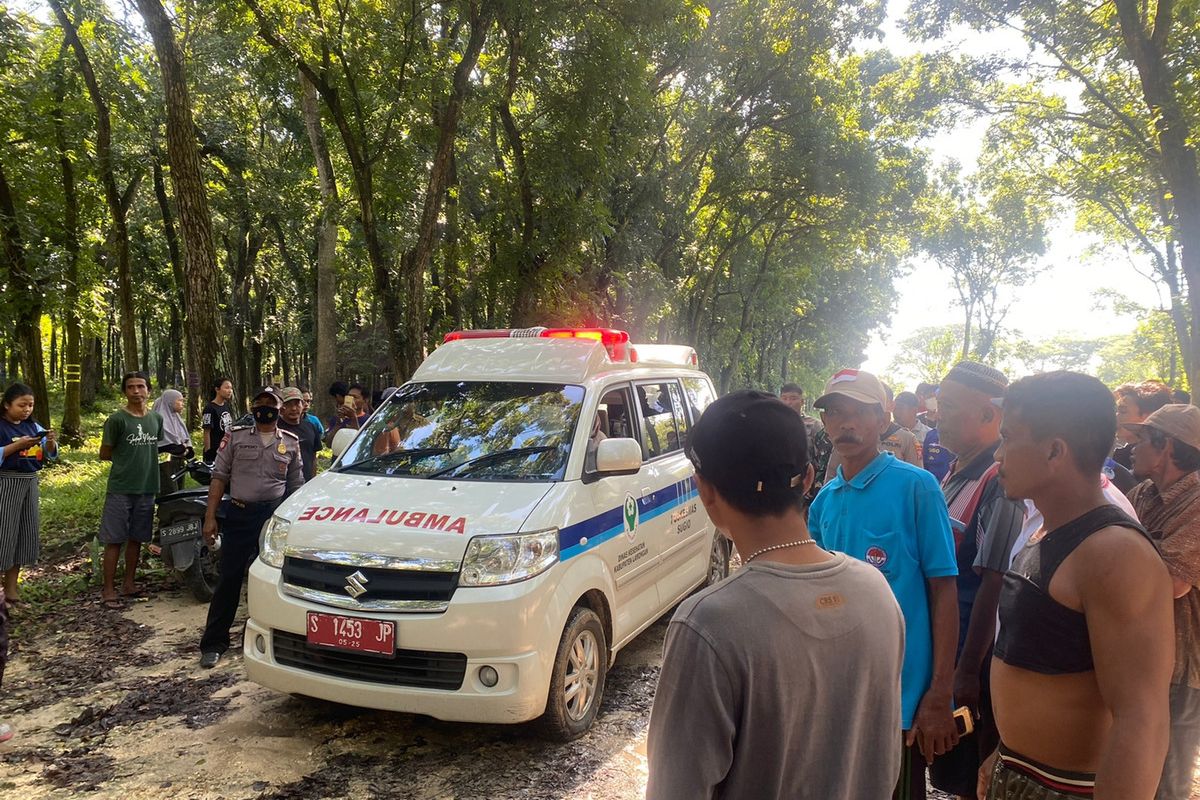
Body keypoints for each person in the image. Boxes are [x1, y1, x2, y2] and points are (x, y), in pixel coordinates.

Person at [647, 390, 904, 799]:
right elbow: (885, 758)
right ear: (808, 478)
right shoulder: (876, 591)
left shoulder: (709, 623)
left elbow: (675, 790)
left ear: (705, 491)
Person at [984, 371, 1173, 800]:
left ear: (1054, 450)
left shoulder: (1113, 552)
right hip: (1018, 774)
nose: (997, 454)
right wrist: (1003, 753)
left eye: (1007, 438)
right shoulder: (1044, 530)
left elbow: (1142, 719)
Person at [808, 368, 959, 800]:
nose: (846, 423)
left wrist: (939, 692)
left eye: (859, 412)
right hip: (837, 696)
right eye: (835, 413)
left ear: (882, 418)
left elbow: (943, 592)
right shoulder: (824, 502)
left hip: (900, 701)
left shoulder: (916, 487)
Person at [926, 363, 1024, 800]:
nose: (937, 415)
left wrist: (966, 671)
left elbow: (993, 582)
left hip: (971, 657)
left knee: (972, 777)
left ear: (988, 415)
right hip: (949, 650)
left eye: (948, 406)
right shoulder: (956, 470)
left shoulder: (997, 482)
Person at [1122, 404, 1200, 800]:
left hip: (1179, 667)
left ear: (1166, 446)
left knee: (1167, 778)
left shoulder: (1197, 501)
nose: (1131, 448)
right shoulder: (1142, 493)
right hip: (1137, 657)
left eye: (1140, 439)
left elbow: (1171, 583)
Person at [199, 388, 302, 668]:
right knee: (229, 578)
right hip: (240, 515)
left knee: (270, 580)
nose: (264, 407)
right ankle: (214, 643)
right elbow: (219, 477)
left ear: (280, 409)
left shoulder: (291, 442)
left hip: (272, 519)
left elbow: (296, 486)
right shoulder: (236, 437)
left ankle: (266, 640)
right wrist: (210, 517)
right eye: (260, 403)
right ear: (252, 407)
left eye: (271, 403)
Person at [99, 373, 164, 609]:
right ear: (124, 391)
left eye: (140, 386)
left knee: (137, 537)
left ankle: (129, 583)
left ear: (149, 390)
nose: (136, 391)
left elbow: (156, 445)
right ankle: (108, 590)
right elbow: (105, 452)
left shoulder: (156, 419)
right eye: (130, 387)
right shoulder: (117, 420)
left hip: (147, 487)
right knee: (114, 539)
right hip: (121, 487)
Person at [0, 382, 57, 610]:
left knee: (23, 535)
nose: (26, 410)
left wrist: (50, 442)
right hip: (6, 482)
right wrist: (16, 446)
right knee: (4, 534)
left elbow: (49, 454)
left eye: (30, 405)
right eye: (21, 405)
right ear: (7, 405)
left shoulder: (33, 426)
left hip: (29, 482)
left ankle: (12, 592)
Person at [824, 381, 922, 481]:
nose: (848, 424)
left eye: (862, 410)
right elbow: (832, 474)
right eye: (836, 411)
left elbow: (916, 476)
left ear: (892, 405)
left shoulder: (906, 438)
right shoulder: (847, 438)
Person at [1112, 380, 1172, 470]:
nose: (1116, 417)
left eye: (1123, 411)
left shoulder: (1157, 464)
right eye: (1117, 411)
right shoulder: (1120, 455)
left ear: (1150, 416)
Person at [153, 388, 193, 493]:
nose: (182, 404)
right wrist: (182, 448)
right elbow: (168, 446)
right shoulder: (160, 420)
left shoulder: (176, 418)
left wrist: (186, 448)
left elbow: (184, 440)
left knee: (179, 492)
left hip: (179, 462)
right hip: (165, 464)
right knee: (169, 492)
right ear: (170, 402)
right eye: (179, 400)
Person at [278, 387, 322, 482]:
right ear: (281, 407)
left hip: (306, 482)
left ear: (302, 405)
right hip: (282, 484)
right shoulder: (275, 428)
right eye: (288, 405)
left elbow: (313, 457)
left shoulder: (311, 427)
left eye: (297, 404)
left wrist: (312, 481)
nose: (294, 408)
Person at [779, 381, 823, 453]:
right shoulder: (774, 424)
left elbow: (822, 453)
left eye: (793, 398)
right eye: (784, 398)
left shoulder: (814, 424)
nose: (788, 402)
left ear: (802, 402)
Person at [201, 377, 235, 463]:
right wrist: (208, 452)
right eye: (227, 388)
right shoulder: (209, 408)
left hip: (227, 449)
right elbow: (206, 431)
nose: (230, 391)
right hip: (215, 451)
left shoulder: (226, 406)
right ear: (217, 389)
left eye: (231, 388)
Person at [324, 380, 362, 447]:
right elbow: (329, 444)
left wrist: (353, 419)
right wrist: (338, 424)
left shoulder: (369, 419)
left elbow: (362, 444)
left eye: (355, 397)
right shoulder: (337, 418)